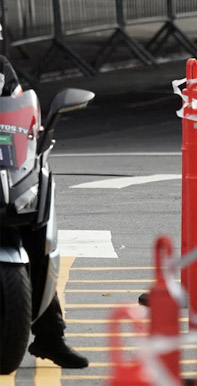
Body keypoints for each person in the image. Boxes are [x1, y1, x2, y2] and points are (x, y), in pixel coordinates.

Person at [0, 24, 88, 368]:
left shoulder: (2, 71)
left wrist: (32, 136)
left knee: (35, 236)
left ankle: (50, 335)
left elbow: (15, 117)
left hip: (4, 175)